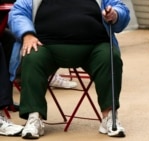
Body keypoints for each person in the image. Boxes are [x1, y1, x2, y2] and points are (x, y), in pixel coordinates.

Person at [8, 0, 130, 139]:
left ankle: (109, 117)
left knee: (110, 56)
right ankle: (34, 117)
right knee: (31, 56)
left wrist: (115, 15)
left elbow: (121, 9)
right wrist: (27, 34)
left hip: (94, 46)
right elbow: (17, 13)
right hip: (46, 46)